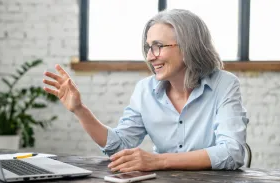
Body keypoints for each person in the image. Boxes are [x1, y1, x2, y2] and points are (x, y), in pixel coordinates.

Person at [42, 9, 249, 172]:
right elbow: (120, 146)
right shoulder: (144, 90)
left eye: (158, 46)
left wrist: (158, 161)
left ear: (188, 47)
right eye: (148, 47)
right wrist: (80, 109)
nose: (150, 56)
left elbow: (231, 153)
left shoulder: (225, 84)